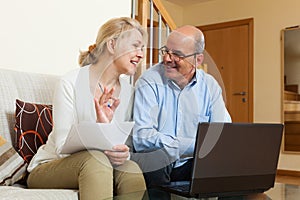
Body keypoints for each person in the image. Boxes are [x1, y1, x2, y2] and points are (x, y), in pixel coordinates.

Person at [26, 17, 148, 200]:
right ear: (112, 45)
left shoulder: (129, 92)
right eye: (135, 46)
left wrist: (122, 153)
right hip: (51, 165)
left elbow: (124, 145)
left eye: (142, 48)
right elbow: (61, 146)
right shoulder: (70, 82)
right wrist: (100, 128)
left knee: (131, 169)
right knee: (95, 163)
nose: (141, 54)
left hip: (102, 163)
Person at [132, 25, 232, 188]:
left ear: (197, 60)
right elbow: (142, 138)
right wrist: (193, 145)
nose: (167, 59)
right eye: (166, 51)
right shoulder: (149, 81)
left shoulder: (210, 86)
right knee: (156, 160)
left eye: (177, 55)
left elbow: (220, 134)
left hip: (193, 162)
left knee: (229, 165)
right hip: (159, 162)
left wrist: (197, 148)